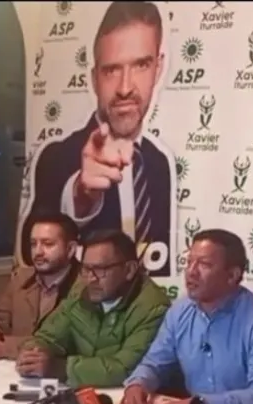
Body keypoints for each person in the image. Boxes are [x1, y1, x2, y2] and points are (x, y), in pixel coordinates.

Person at [22, 1, 175, 277]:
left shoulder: (159, 164)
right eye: (111, 70)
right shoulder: (57, 157)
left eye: (141, 65)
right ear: (94, 79)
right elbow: (27, 250)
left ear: (158, 68)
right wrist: (82, 194)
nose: (125, 87)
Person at [119, 229, 253, 404]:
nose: (191, 272)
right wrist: (137, 384)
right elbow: (154, 363)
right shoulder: (179, 312)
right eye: (189, 262)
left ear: (232, 275)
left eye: (204, 264)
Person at [18, 229, 170, 387]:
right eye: (86, 269)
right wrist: (33, 354)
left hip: (126, 399)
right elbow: (48, 336)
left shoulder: (153, 307)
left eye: (100, 270)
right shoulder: (80, 292)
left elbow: (123, 369)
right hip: (81, 393)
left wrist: (60, 368)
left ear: (129, 270)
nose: (90, 279)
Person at [0, 212, 81, 362]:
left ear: (71, 249)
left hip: (59, 376)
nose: (38, 252)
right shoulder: (21, 278)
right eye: (33, 244)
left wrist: (5, 348)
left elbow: (67, 341)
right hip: (9, 372)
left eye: (48, 244)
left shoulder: (86, 284)